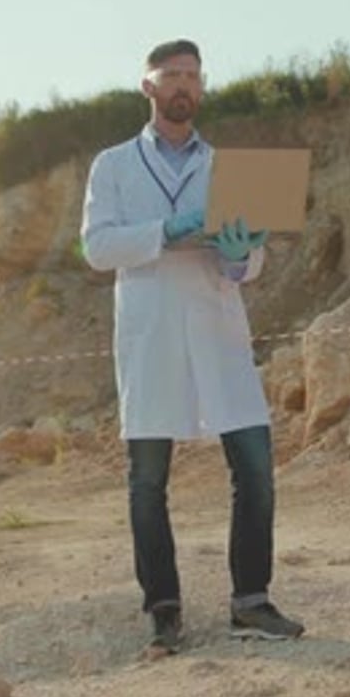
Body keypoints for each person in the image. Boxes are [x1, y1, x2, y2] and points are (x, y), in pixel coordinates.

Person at [81, 39, 304, 653]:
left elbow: (251, 262)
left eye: (193, 76)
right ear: (148, 86)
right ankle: (164, 610)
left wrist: (239, 254)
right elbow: (97, 248)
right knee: (147, 481)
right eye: (172, 74)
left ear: (201, 89)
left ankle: (251, 602)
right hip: (151, 334)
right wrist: (167, 230)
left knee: (256, 468)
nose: (184, 84)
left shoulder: (227, 167)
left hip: (218, 331)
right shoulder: (114, 165)